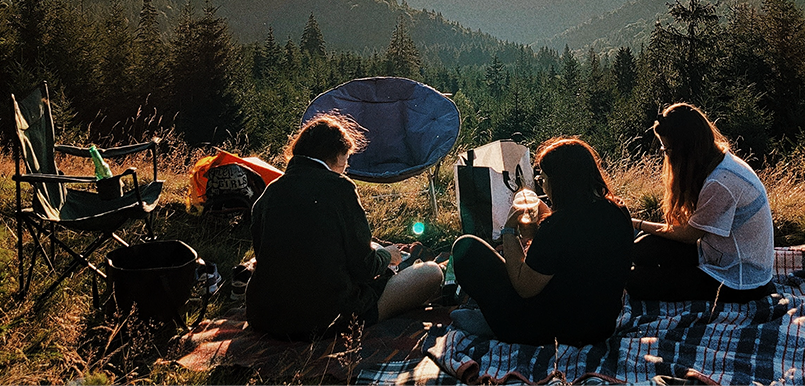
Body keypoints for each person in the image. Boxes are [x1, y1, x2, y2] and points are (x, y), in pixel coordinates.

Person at [247, 113, 444, 339]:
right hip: (327, 319)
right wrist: (386, 257)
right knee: (431, 273)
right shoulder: (341, 188)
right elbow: (363, 269)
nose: (346, 165)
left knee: (374, 247)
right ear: (337, 155)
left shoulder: (270, 192)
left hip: (266, 317)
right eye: (346, 158)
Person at [451, 137, 634, 346]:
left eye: (543, 179)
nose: (542, 184)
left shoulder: (559, 227)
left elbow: (524, 287)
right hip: (601, 327)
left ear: (560, 182)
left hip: (548, 332)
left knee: (466, 249)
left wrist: (509, 230)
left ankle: (497, 324)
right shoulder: (618, 211)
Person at [627, 103, 775, 303]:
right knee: (642, 247)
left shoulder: (720, 182)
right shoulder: (718, 162)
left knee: (637, 282)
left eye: (667, 149)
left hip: (740, 278)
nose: (666, 155)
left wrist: (637, 224)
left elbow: (688, 235)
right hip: (717, 253)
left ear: (685, 149)